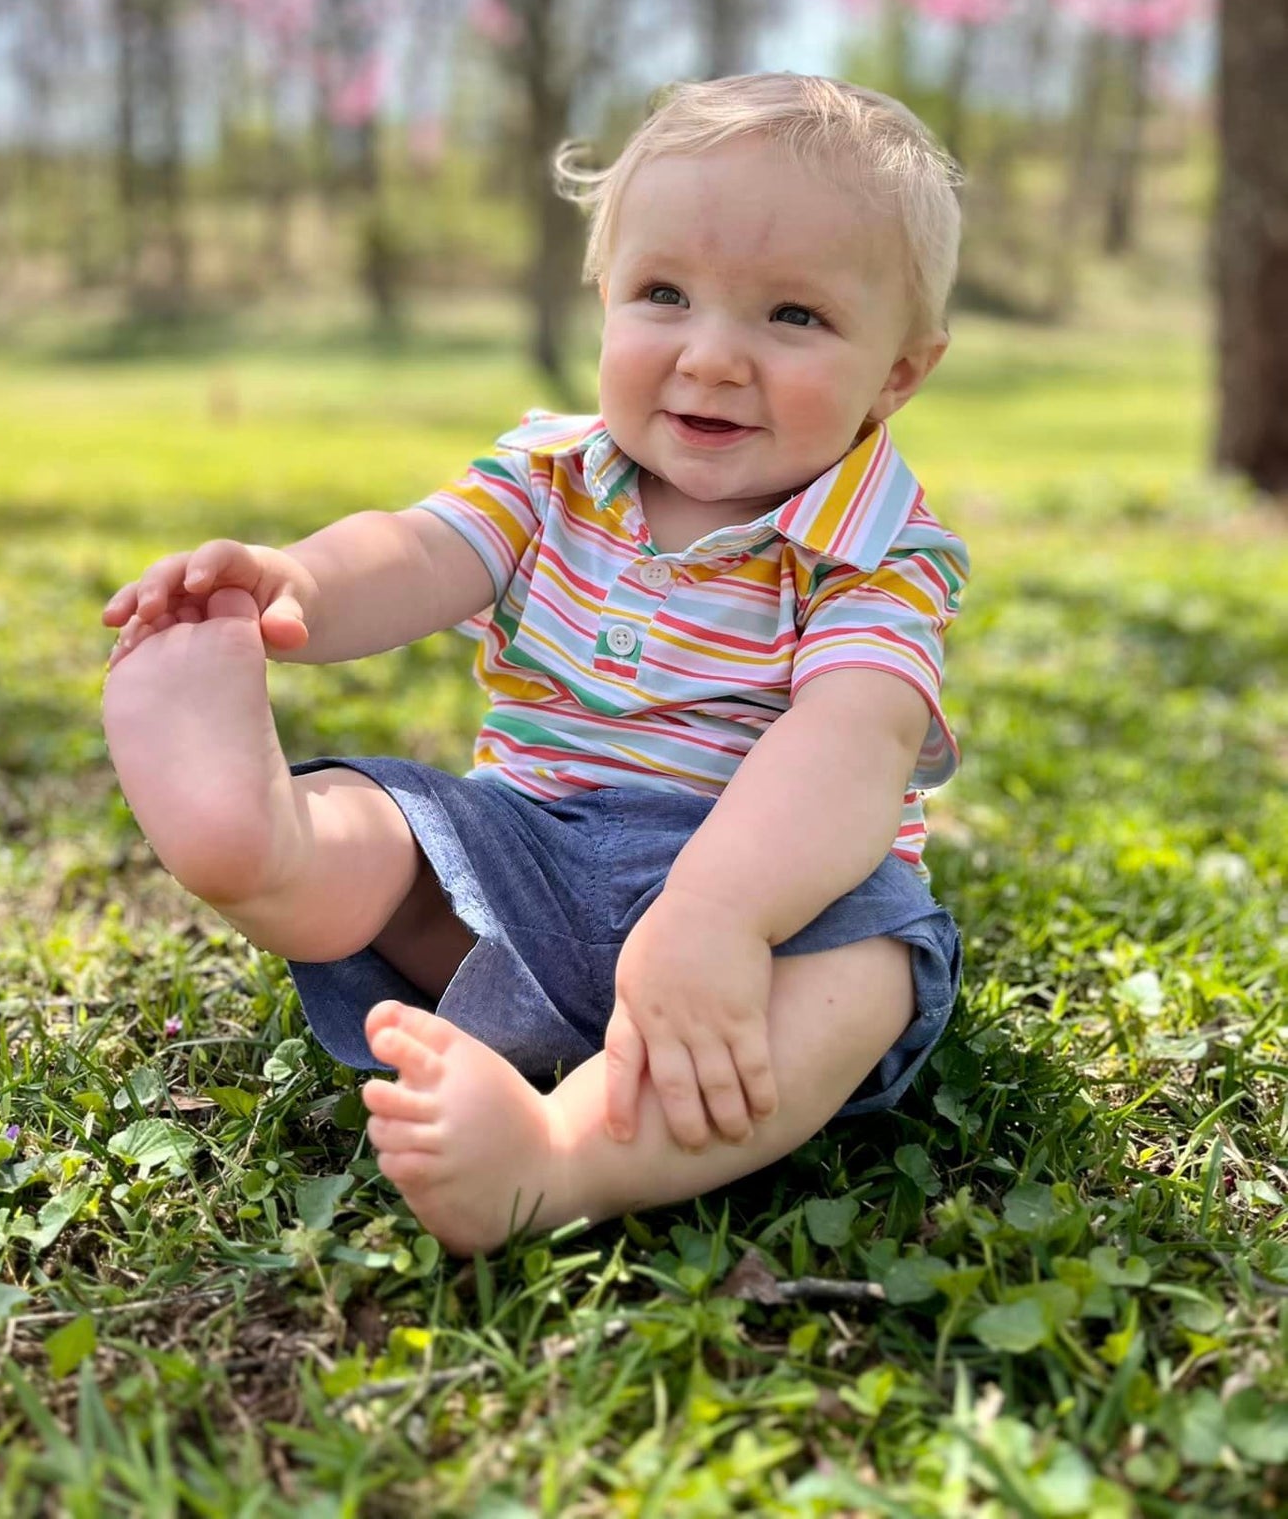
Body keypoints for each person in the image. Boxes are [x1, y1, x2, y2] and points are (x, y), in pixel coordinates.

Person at [100, 73, 970, 1258]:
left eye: (792, 317)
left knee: (863, 971)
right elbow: (414, 551)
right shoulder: (550, 477)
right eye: (663, 294)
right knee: (393, 836)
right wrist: (292, 581)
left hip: (766, 919)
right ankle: (258, 839)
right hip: (523, 865)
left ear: (896, 373)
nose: (710, 357)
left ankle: (561, 1159)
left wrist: (714, 912)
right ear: (604, 298)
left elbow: (849, 745)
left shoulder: (875, 551)